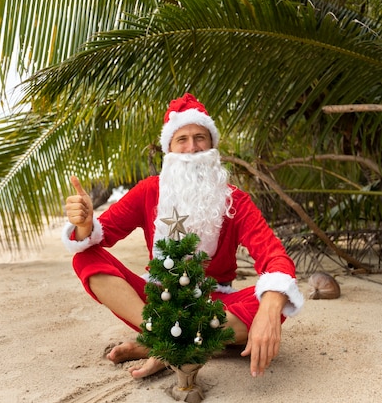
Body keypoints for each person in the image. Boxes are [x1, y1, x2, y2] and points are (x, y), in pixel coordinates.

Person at [62, 93, 304, 379]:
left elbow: (274, 256)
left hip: (213, 305)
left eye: (200, 137)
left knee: (275, 300)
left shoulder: (235, 201)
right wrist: (84, 224)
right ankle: (166, 339)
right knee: (85, 257)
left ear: (213, 145)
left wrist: (271, 305)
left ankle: (161, 346)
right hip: (157, 303)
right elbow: (98, 238)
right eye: (182, 139)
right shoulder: (148, 191)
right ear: (170, 149)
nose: (192, 148)